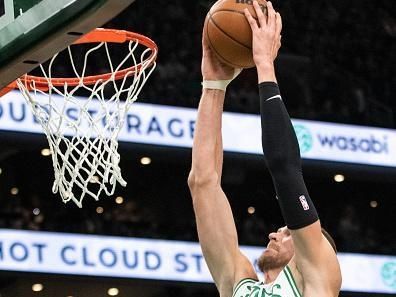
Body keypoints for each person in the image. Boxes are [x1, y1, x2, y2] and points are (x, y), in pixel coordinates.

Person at [187, 1, 342, 297]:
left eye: (286, 234)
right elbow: (202, 182)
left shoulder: (317, 281)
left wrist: (265, 65)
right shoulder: (238, 281)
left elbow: (285, 170)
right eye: (285, 231)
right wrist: (213, 86)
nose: (275, 233)